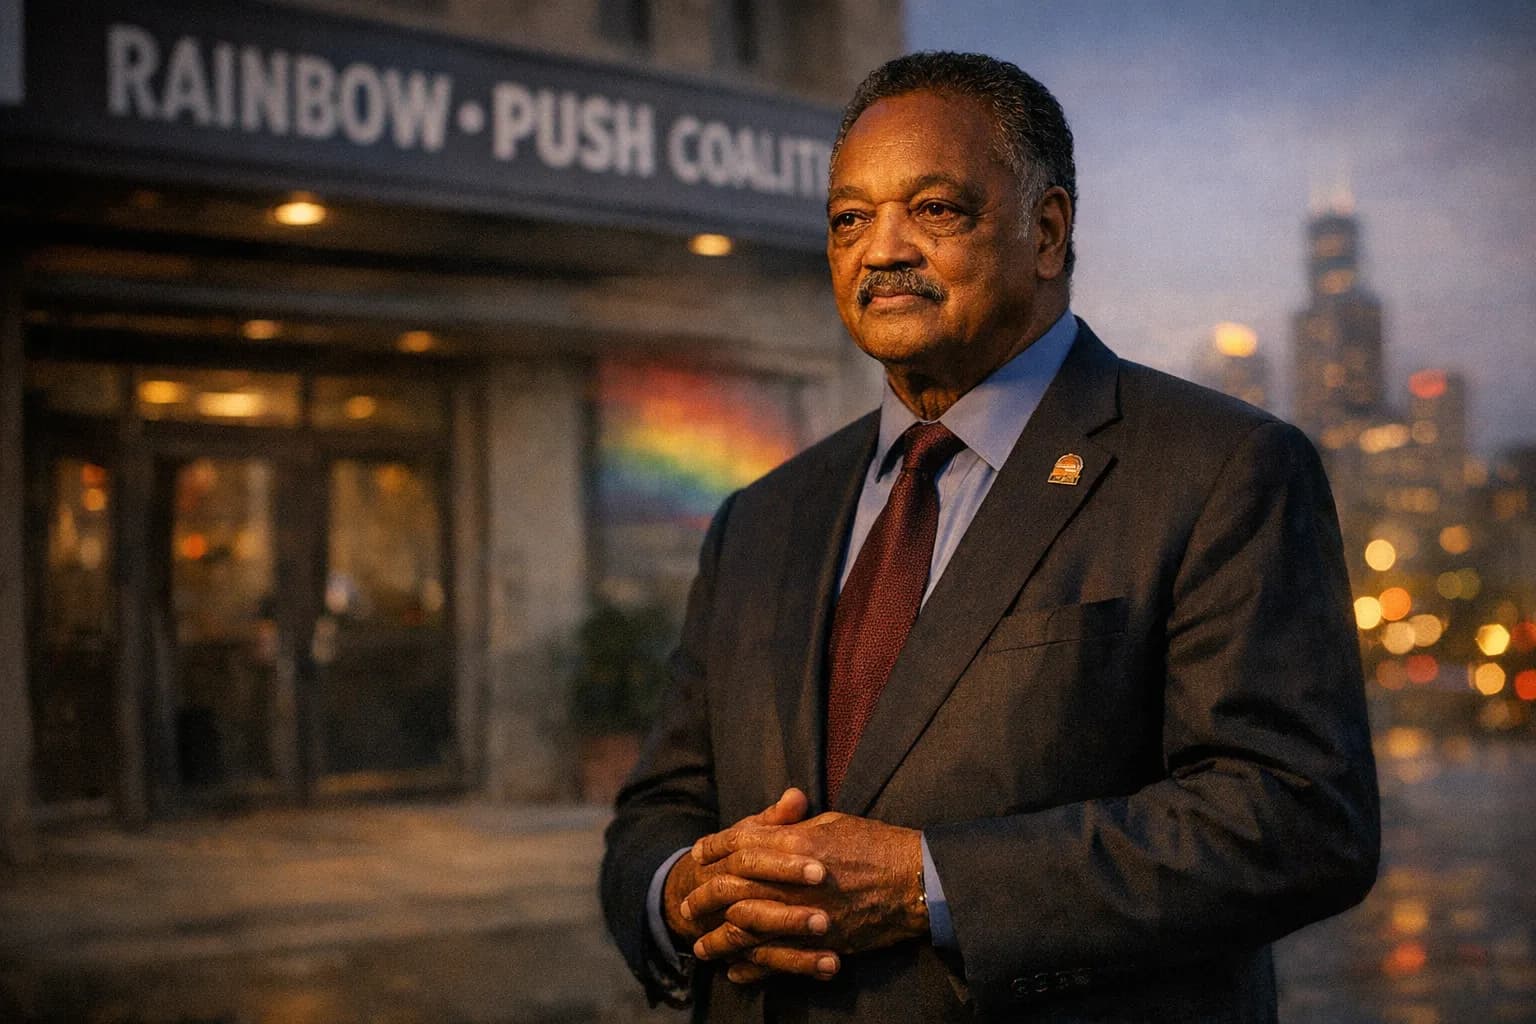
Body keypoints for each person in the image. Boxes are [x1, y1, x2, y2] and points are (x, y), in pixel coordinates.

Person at [601, 51, 1379, 1022]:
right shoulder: (759, 517)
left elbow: (1300, 817)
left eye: (933, 210)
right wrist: (681, 889)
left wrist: (928, 881)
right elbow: (657, 809)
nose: (880, 249)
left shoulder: (1222, 468)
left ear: (1046, 231)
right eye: (849, 218)